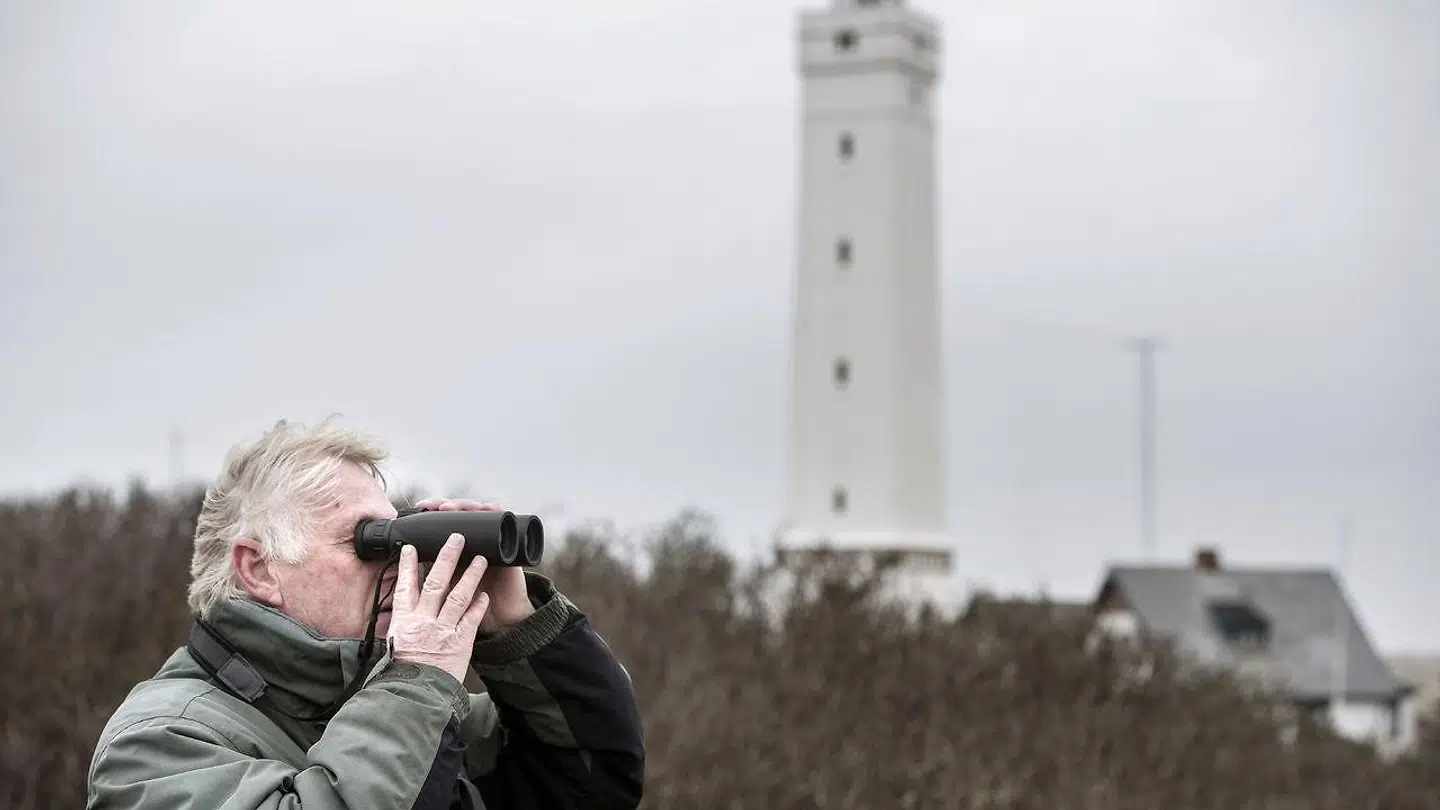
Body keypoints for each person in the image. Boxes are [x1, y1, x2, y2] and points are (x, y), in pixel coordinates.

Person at [85, 419, 645, 810]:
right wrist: (416, 681)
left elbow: (590, 781)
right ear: (259, 570)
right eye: (368, 541)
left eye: (398, 534)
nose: (399, 563)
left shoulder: (401, 710)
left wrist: (516, 626)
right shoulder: (156, 747)